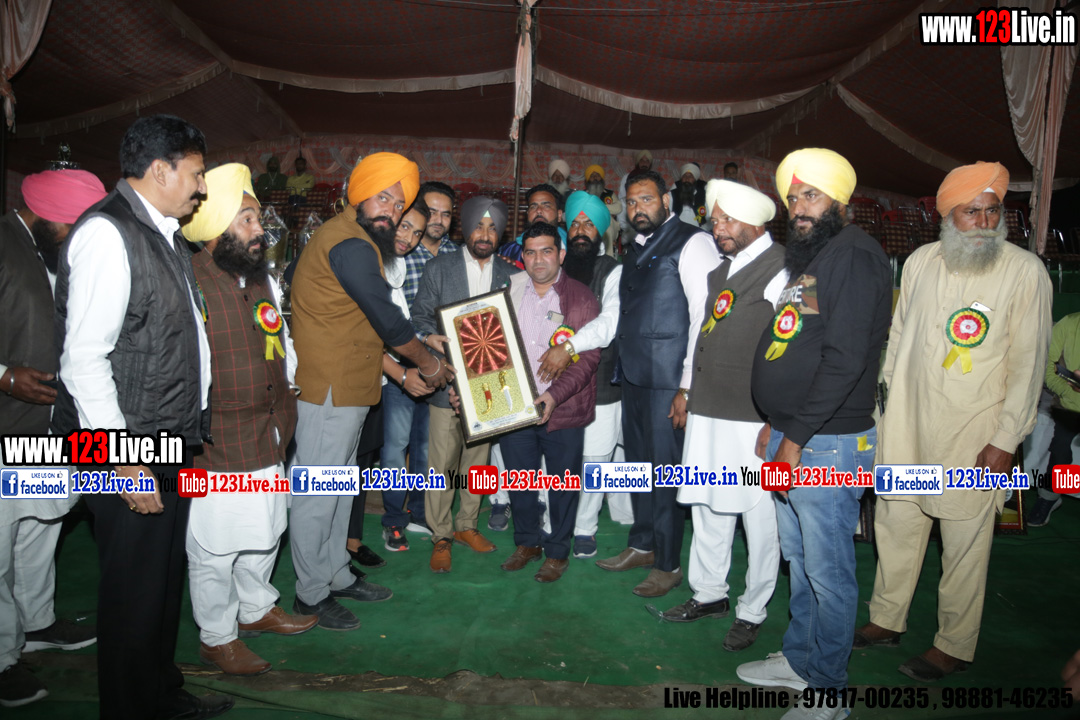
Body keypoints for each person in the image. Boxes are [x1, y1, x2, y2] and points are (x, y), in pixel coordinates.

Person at [51, 114, 233, 720]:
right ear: (160, 170)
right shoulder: (109, 233)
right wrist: (121, 463)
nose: (201, 187)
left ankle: (161, 693)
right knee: (133, 591)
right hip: (128, 446)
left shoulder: (162, 234)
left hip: (167, 435)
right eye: (196, 173)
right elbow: (83, 361)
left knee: (159, 582)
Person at [855, 161, 1052, 683]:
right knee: (896, 524)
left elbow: (1029, 364)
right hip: (907, 425)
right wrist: (883, 413)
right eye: (972, 212)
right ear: (947, 216)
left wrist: (1006, 438)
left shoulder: (1024, 271)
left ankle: (954, 644)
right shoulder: (920, 261)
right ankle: (886, 618)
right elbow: (898, 339)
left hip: (974, 433)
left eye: (993, 212)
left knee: (965, 540)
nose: (985, 223)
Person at [736, 148, 892, 720]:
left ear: (839, 201)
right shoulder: (815, 257)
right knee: (799, 562)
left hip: (826, 442)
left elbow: (846, 359)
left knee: (829, 573)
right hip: (794, 434)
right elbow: (792, 342)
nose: (799, 207)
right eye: (793, 198)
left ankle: (828, 692)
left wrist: (795, 436)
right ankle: (800, 662)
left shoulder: (854, 255)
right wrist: (774, 422)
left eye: (812, 195)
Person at [289, 152, 453, 630]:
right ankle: (310, 594)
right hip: (329, 390)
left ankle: (336, 574)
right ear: (357, 194)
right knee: (318, 494)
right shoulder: (350, 244)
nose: (391, 211)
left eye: (398, 204)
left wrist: (409, 366)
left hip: (351, 387)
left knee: (340, 490)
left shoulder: (357, 240)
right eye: (382, 198)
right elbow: (388, 320)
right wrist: (429, 364)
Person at [181, 163, 317, 676]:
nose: (260, 230)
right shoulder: (191, 280)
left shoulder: (260, 278)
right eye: (247, 219)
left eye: (258, 219)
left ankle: (257, 607)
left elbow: (279, 340)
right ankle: (216, 637)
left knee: (264, 528)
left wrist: (290, 389)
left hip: (270, 430)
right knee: (215, 544)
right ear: (216, 226)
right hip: (216, 440)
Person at [656, 179, 785, 654]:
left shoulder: (785, 268)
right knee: (708, 505)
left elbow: (794, 346)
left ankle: (753, 610)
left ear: (757, 222)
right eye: (714, 220)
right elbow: (704, 333)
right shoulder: (721, 272)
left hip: (753, 416)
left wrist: (778, 417)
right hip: (708, 407)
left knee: (759, 515)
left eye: (728, 220)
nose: (719, 229)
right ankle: (709, 593)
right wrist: (687, 390)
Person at [0, 169, 105, 708]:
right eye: (71, 227)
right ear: (43, 214)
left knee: (39, 527)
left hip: (51, 429)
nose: (75, 239)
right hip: (6, 423)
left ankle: (36, 622)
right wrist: (3, 376)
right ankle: (2, 657)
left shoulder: (55, 251)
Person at [595, 169, 720, 598]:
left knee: (665, 474)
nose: (637, 209)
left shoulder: (693, 242)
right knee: (637, 468)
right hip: (634, 378)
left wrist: (686, 386)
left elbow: (705, 317)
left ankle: (668, 565)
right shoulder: (635, 247)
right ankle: (643, 544)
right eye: (631, 202)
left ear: (666, 199)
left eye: (646, 199)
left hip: (669, 382)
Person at [412, 196, 520, 573]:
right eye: (478, 226)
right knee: (442, 463)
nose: (485, 235)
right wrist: (430, 339)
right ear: (466, 228)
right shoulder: (439, 268)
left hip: (492, 384)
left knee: (479, 462)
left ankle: (467, 525)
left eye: (492, 228)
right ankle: (441, 534)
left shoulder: (512, 274)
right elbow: (419, 317)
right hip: (448, 381)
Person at [499, 222, 600, 582]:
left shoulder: (580, 297)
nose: (538, 259)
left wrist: (554, 396)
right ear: (522, 256)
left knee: (562, 485)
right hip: (515, 407)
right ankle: (527, 543)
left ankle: (557, 552)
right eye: (530, 252)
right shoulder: (510, 291)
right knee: (520, 481)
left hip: (564, 409)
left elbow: (588, 357)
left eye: (546, 251)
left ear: (561, 254)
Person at [534, 191, 632, 558]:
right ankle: (552, 520)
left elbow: (609, 324)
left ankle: (585, 526)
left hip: (601, 381)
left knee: (595, 459)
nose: (580, 230)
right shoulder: (555, 267)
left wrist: (568, 347)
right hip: (552, 379)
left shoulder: (613, 270)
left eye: (589, 224)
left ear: (600, 231)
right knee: (554, 457)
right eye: (575, 223)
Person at [379, 198, 435, 551]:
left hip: (424, 364)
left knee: (423, 447)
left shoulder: (406, 264)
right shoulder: (373, 261)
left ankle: (418, 512)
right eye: (405, 227)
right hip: (393, 370)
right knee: (395, 449)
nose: (410, 238)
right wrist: (399, 372)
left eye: (417, 233)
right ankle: (393, 520)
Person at [1028, 310, 1080, 526]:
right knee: (1061, 451)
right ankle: (1050, 497)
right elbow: (1047, 369)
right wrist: (1069, 393)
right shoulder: (1069, 323)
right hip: (1071, 407)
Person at [498, 183, 567, 267]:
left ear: (559, 215)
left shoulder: (573, 251)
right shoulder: (509, 252)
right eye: (533, 207)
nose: (538, 210)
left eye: (546, 206)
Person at [669, 163, 707, 227]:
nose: (687, 179)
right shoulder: (672, 194)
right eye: (684, 176)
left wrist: (702, 230)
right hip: (676, 230)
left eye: (690, 176)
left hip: (698, 230)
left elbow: (710, 218)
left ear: (695, 179)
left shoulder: (704, 196)